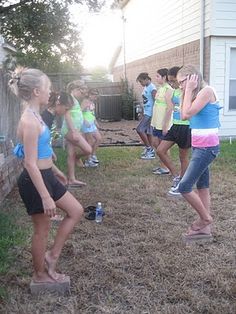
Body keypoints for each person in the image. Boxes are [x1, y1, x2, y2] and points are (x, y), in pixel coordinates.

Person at [10, 67, 83, 283]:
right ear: (35, 91)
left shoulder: (36, 115)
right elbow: (30, 163)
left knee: (76, 210)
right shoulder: (30, 121)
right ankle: (40, 274)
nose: (50, 91)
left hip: (46, 175)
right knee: (41, 231)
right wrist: (45, 196)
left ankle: (52, 256)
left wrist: (55, 170)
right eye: (47, 87)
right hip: (34, 182)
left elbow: (41, 152)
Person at [177, 65, 221, 239]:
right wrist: (186, 91)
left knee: (184, 186)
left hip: (207, 148)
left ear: (192, 78)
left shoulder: (207, 91)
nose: (180, 85)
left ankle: (205, 219)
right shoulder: (194, 94)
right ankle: (204, 228)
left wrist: (188, 90)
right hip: (199, 146)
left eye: (182, 81)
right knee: (203, 187)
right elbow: (182, 115)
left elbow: (187, 113)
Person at [156, 66, 191, 195]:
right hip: (175, 125)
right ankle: (176, 175)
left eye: (173, 80)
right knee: (160, 150)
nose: (172, 83)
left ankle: (183, 182)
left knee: (183, 157)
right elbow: (171, 108)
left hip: (186, 126)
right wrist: (166, 125)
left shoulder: (189, 91)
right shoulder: (175, 91)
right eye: (170, 81)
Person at [61, 80, 92, 186]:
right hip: (70, 131)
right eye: (82, 92)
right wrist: (74, 131)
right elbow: (67, 115)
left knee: (71, 154)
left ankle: (71, 179)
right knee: (88, 150)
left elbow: (77, 114)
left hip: (73, 130)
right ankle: (77, 158)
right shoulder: (70, 98)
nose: (82, 95)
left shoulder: (74, 99)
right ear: (76, 89)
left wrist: (84, 121)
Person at [151, 68, 173, 174]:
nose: (156, 78)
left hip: (163, 123)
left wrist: (165, 125)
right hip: (157, 122)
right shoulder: (160, 88)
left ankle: (166, 168)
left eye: (158, 76)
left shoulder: (168, 89)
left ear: (164, 77)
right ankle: (163, 165)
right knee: (155, 142)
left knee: (163, 146)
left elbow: (169, 108)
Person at [136, 72, 157, 160]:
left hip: (150, 113)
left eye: (141, 81)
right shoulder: (146, 87)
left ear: (146, 79)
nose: (141, 84)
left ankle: (149, 148)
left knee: (139, 129)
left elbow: (156, 102)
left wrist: (154, 115)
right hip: (146, 112)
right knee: (149, 132)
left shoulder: (152, 88)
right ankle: (150, 151)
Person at [80, 88, 102, 167]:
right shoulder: (85, 101)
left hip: (92, 123)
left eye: (97, 96)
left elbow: (92, 113)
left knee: (99, 139)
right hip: (86, 124)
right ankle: (88, 160)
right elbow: (79, 112)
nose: (95, 98)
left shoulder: (92, 103)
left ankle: (92, 154)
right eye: (94, 96)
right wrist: (85, 121)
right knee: (91, 141)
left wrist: (95, 121)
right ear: (90, 95)